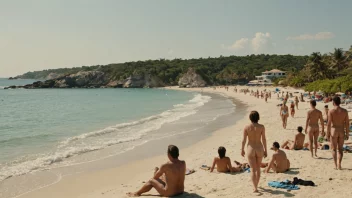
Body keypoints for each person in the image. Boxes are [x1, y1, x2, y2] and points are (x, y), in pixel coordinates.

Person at [241, 111, 267, 193]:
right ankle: (257, 184)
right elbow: (264, 139)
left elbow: (244, 140)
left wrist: (242, 149)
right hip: (259, 148)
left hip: (250, 148)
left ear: (250, 118)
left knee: (252, 169)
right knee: (258, 168)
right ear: (258, 117)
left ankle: (255, 188)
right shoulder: (262, 127)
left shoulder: (247, 127)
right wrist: (266, 150)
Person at [327, 96, 350, 170]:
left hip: (334, 131)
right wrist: (347, 133)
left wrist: (327, 133)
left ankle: (335, 165)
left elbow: (329, 123)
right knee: (340, 149)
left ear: (333, 102)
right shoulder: (345, 111)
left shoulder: (331, 111)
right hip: (341, 131)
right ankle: (339, 164)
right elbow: (347, 123)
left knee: (334, 149)